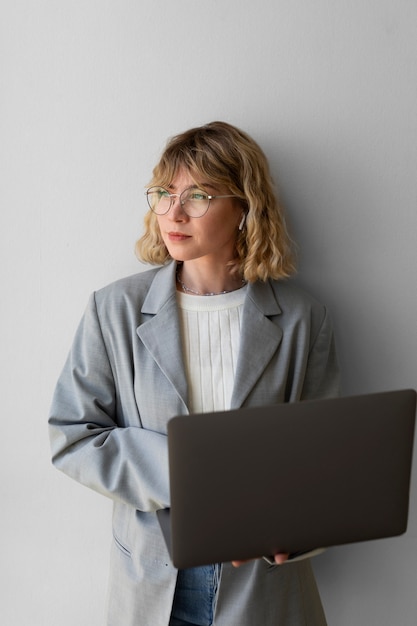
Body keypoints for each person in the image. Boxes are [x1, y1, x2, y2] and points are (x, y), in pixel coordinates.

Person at [48, 121, 340, 626]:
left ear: (244, 207)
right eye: (163, 193)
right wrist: (190, 473)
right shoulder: (114, 308)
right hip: (151, 581)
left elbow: (326, 461)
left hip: (263, 592)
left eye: (198, 196)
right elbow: (72, 435)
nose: (172, 213)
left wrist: (290, 534)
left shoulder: (301, 317)